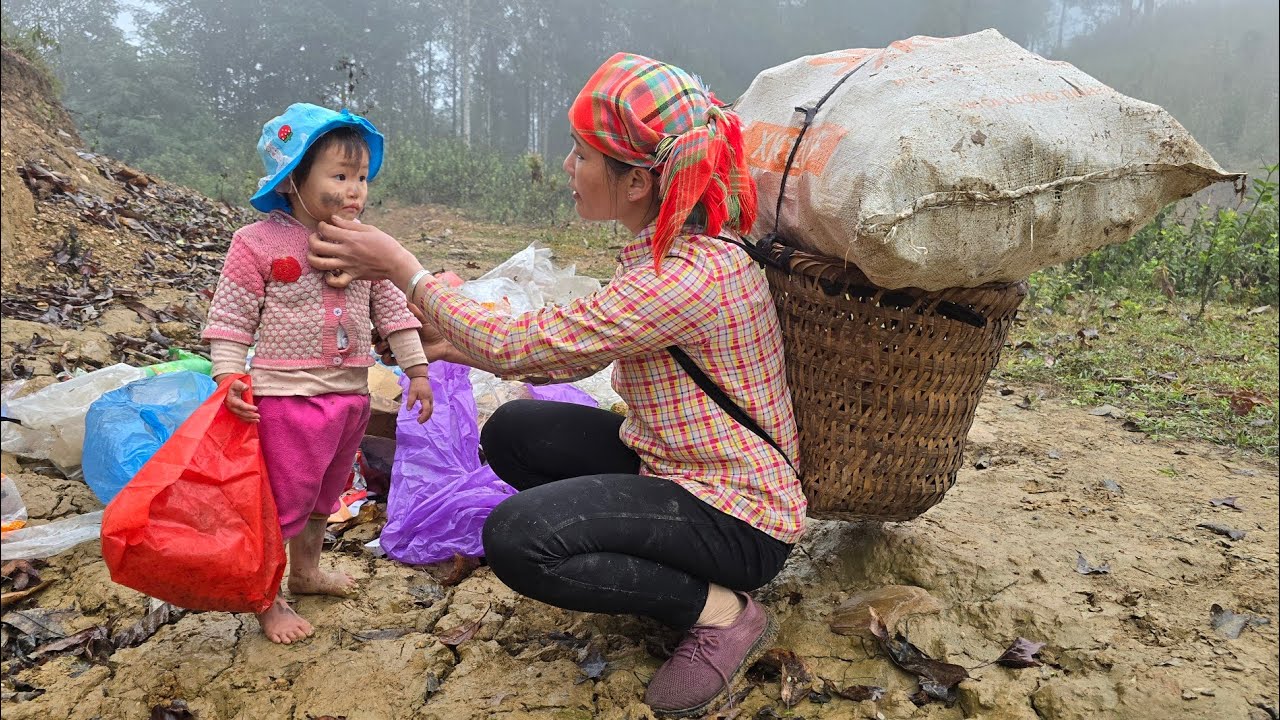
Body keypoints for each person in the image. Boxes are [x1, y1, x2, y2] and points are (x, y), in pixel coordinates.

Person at [308, 54, 806, 715]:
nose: (568, 168)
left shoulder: (685, 279)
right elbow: (565, 355)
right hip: (677, 467)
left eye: (580, 155)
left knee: (518, 540)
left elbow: (523, 341)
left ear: (635, 182)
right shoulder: (676, 252)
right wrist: (450, 345)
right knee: (514, 433)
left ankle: (721, 613)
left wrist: (403, 268)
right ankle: (648, 570)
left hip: (738, 517)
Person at [202, 103, 434, 644]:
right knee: (283, 502)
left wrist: (416, 371)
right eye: (339, 176)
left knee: (324, 497)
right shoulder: (255, 243)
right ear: (291, 181)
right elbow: (231, 317)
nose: (355, 190)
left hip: (349, 397)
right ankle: (267, 598)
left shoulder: (364, 245)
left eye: (360, 178)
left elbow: (394, 310)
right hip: (286, 400)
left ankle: (304, 573)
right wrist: (228, 377)